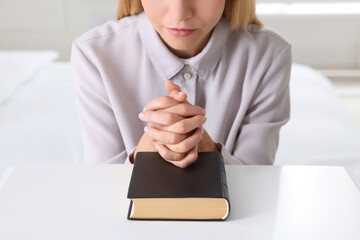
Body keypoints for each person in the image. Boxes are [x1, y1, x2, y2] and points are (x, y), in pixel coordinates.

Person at [71, 0, 292, 168]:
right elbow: (102, 186)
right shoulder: (94, 55)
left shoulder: (269, 55)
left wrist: (207, 150)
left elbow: (258, 183)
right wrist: (149, 149)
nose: (180, 14)